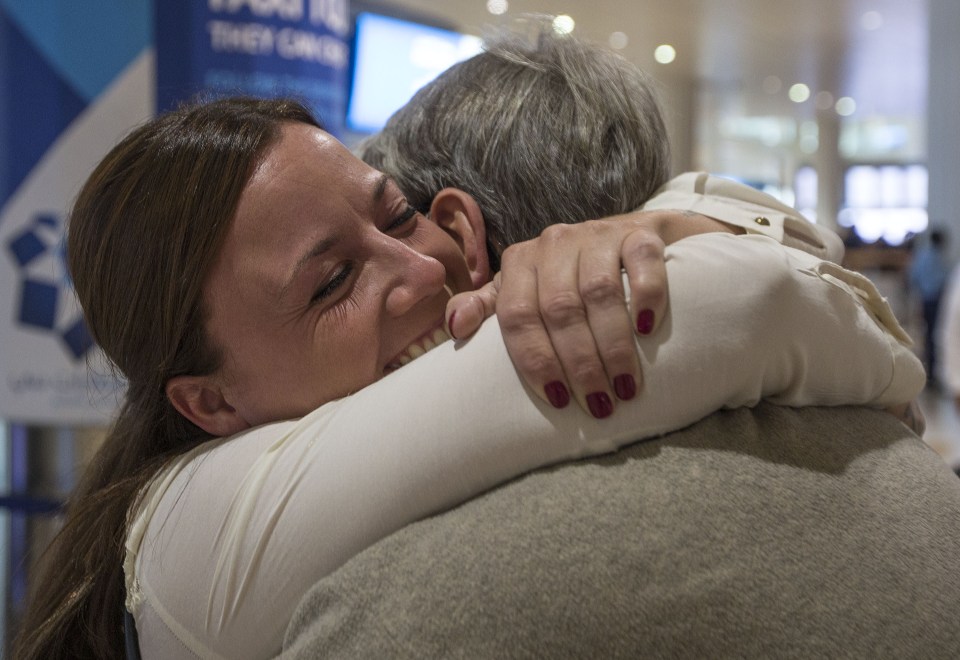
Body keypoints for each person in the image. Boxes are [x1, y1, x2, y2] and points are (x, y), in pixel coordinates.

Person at [13, 93, 923, 660]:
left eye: (397, 215)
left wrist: (668, 229)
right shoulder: (196, 530)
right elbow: (739, 315)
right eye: (332, 284)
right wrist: (681, 229)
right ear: (209, 402)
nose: (418, 273)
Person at [280, 33, 960, 657]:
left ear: (462, 236)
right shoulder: (896, 454)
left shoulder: (386, 606)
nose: (416, 273)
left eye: (401, 221)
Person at [909, 228, 950, 382]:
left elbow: (914, 277)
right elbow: (945, 281)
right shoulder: (939, 258)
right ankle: (932, 373)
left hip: (925, 300)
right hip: (936, 301)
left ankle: (930, 372)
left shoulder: (922, 256)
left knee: (927, 335)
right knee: (935, 335)